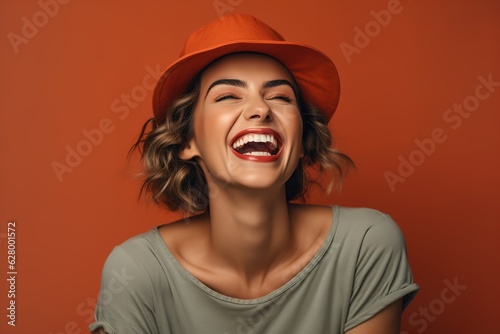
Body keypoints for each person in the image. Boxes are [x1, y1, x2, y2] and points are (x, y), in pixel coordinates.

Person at [90, 14, 418, 334]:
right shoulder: (136, 272)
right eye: (228, 96)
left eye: (280, 97)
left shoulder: (365, 245)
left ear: (303, 141)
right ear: (187, 140)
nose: (261, 109)